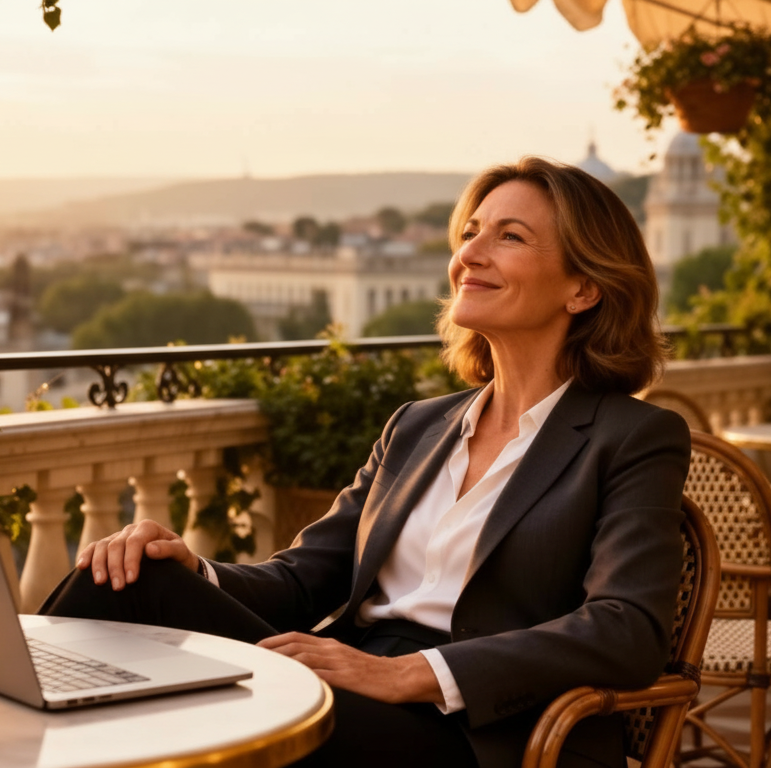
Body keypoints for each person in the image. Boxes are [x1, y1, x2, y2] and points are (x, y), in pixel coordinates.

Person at [41, 156, 690, 768]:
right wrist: (195, 571)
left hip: (476, 733)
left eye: (509, 237)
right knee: (124, 577)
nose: (470, 254)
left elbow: (626, 629)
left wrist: (411, 674)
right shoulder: (419, 425)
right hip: (350, 681)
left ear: (583, 288)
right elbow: (300, 583)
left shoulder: (633, 436)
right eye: (469, 233)